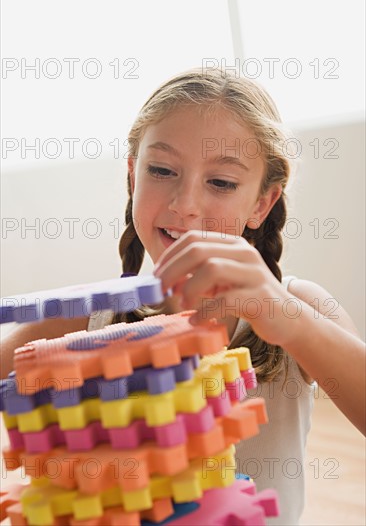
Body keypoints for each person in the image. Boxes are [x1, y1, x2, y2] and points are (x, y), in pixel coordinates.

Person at [1, 68, 365, 525]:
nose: (184, 203)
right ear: (133, 176)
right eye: (162, 170)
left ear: (261, 204)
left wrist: (286, 316)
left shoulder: (299, 306)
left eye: (221, 183)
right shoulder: (85, 322)